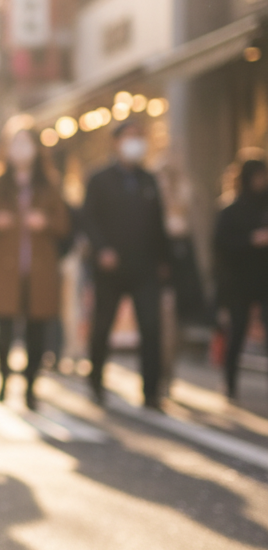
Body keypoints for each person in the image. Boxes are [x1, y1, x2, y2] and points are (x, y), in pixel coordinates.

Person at [0, 121, 70, 410]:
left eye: (27, 143)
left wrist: (45, 222)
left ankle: (31, 387)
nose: (21, 150)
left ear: (38, 149)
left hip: (40, 270)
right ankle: (3, 380)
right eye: (15, 143)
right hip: (5, 269)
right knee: (5, 329)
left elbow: (64, 223)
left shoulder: (49, 183)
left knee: (38, 330)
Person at [83, 118, 169, 409]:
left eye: (139, 136)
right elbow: (89, 219)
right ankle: (95, 382)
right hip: (109, 267)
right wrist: (101, 249)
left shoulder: (149, 179)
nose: (135, 143)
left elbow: (158, 224)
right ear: (116, 141)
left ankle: (152, 391)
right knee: (102, 326)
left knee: (151, 328)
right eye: (129, 136)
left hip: (144, 267)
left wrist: (163, 260)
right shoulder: (99, 179)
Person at [213, 156, 268, 401]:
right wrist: (250, 240)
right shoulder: (230, 210)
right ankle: (230, 381)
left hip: (264, 278)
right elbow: (220, 245)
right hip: (239, 281)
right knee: (237, 330)